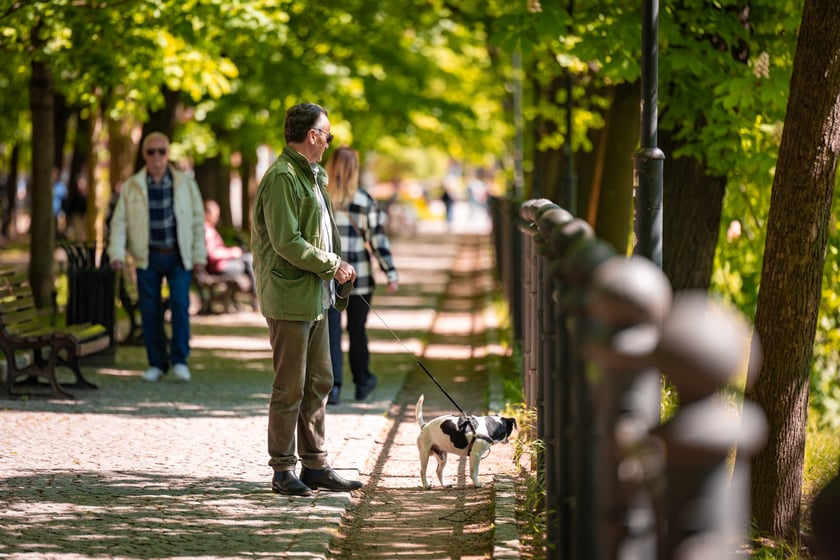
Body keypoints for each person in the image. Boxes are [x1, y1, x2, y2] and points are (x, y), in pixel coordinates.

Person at [251, 102, 362, 497]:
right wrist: (331, 264)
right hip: (288, 296)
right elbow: (286, 241)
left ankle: (315, 464)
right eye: (327, 135)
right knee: (290, 386)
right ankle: (283, 468)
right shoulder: (283, 176)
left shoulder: (312, 176)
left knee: (320, 381)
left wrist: (332, 270)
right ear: (312, 135)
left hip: (315, 296)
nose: (330, 142)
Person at [107, 132, 207, 383]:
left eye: (161, 151)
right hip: (147, 257)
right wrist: (116, 253)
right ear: (144, 155)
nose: (157, 157)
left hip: (178, 256)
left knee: (180, 307)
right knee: (149, 312)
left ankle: (180, 361)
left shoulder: (185, 183)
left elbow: (197, 221)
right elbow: (118, 223)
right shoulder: (132, 186)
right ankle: (157, 364)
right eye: (151, 151)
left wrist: (199, 255)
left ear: (168, 153)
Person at [325, 147, 399, 405]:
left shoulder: (321, 197)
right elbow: (377, 239)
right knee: (357, 331)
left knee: (331, 330)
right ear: (354, 169)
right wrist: (390, 271)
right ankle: (362, 382)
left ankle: (332, 387)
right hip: (360, 278)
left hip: (329, 275)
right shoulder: (364, 200)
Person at [204, 199, 257, 309]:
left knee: (248, 259)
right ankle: (255, 297)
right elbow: (212, 254)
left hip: (220, 264)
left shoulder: (208, 229)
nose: (217, 217)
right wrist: (232, 253)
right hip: (218, 267)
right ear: (207, 214)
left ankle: (254, 295)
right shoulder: (207, 230)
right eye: (215, 214)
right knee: (248, 261)